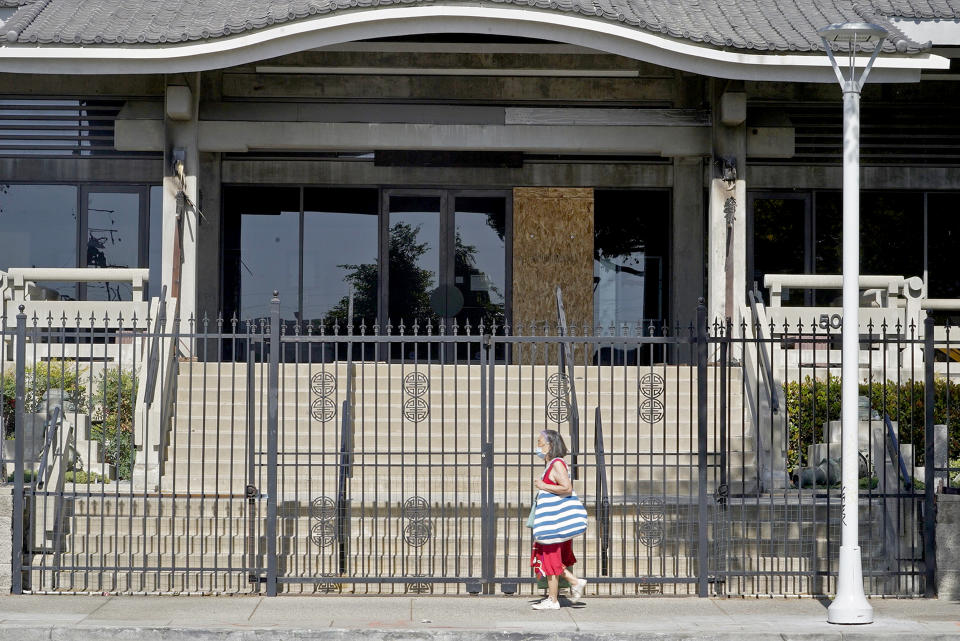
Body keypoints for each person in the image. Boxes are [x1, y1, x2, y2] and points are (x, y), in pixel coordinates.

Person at [530, 429, 588, 610]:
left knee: (550, 557)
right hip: (552, 521)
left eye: (540, 443)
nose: (538, 447)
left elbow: (567, 488)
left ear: (550, 445)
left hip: (555, 522)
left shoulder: (557, 464)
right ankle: (553, 598)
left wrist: (542, 485)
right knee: (549, 558)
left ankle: (572, 584)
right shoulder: (552, 464)